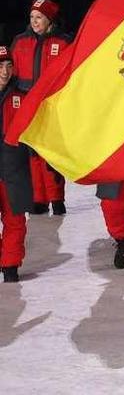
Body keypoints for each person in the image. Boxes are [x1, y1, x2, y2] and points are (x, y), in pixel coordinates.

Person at [9, 0, 72, 216]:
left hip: (52, 106)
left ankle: (56, 198)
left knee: (50, 154)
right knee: (31, 153)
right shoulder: (19, 42)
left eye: (39, 17)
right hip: (26, 105)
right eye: (32, 18)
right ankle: (39, 199)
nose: (34, 22)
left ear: (49, 19)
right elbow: (11, 74)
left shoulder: (64, 42)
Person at [0, 46, 33, 283]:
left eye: (9, 66)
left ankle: (10, 266)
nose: (5, 71)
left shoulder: (21, 97)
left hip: (15, 171)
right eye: (0, 66)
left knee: (15, 221)